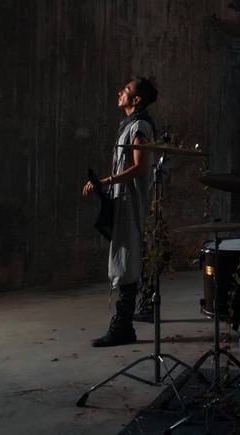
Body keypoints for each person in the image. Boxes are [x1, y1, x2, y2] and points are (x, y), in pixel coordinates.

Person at [81, 76, 158, 347]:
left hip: (131, 202)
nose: (119, 93)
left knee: (126, 261)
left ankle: (123, 326)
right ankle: (125, 324)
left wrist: (107, 181)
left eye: (125, 90)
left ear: (136, 99)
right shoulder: (129, 124)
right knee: (125, 258)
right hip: (122, 199)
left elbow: (140, 167)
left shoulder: (139, 126)